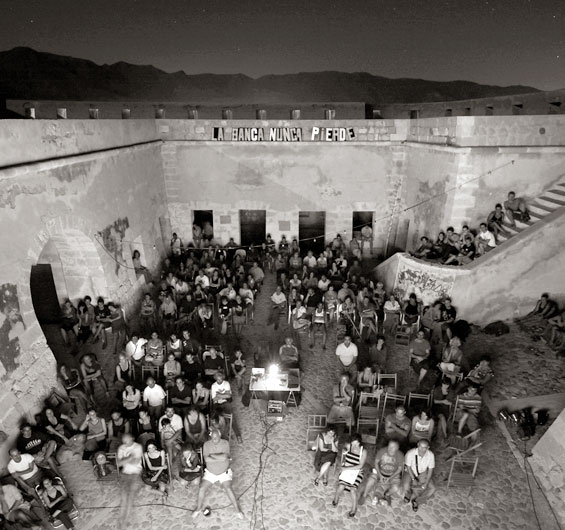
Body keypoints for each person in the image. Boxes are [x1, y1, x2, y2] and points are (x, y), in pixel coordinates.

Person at [193, 428, 244, 519]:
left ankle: (238, 510)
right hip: (210, 472)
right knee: (202, 488)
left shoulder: (225, 443)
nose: (214, 440)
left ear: (220, 436)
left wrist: (212, 455)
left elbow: (225, 457)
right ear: (210, 437)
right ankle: (198, 508)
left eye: (216, 438)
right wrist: (219, 457)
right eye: (213, 438)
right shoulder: (207, 444)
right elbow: (207, 459)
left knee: (228, 488)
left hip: (224, 472)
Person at [358, 440, 404, 506]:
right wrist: (380, 475)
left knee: (396, 488)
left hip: (392, 474)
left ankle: (387, 494)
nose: (390, 449)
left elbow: (399, 469)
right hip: (380, 470)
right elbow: (376, 463)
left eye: (393, 447)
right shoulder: (382, 451)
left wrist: (390, 477)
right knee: (371, 480)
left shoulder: (400, 455)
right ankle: (364, 495)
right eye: (389, 446)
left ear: (397, 448)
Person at [332, 433, 366, 518]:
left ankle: (354, 508)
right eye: (352, 444)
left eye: (356, 444)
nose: (354, 446)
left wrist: (346, 468)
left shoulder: (363, 451)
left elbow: (360, 466)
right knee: (341, 486)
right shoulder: (348, 445)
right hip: (346, 470)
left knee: (353, 490)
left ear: (359, 442)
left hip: (356, 472)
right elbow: (343, 456)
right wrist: (344, 451)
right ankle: (336, 498)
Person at [117, 433, 144, 527]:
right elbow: (119, 464)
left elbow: (136, 462)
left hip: (135, 474)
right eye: (124, 441)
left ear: (132, 438)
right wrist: (130, 457)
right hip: (124, 474)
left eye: (127, 441)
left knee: (130, 498)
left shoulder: (138, 447)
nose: (125, 443)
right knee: (124, 498)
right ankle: (121, 520)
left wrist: (125, 459)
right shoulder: (121, 448)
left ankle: (125, 521)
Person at [402, 440, 436, 512]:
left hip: (422, 472)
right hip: (410, 471)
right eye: (420, 447)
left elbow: (430, 470)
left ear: (428, 447)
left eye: (424, 448)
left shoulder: (430, 455)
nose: (422, 449)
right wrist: (413, 479)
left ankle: (417, 501)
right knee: (406, 485)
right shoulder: (410, 453)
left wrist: (426, 482)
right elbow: (408, 467)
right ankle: (408, 495)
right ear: (418, 445)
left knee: (432, 488)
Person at [211, 371, 242, 443]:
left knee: (232, 418)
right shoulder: (213, 386)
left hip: (226, 402)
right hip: (217, 404)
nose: (219, 380)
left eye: (220, 379)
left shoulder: (226, 383)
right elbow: (214, 399)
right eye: (218, 379)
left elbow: (229, 396)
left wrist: (219, 395)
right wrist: (224, 395)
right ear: (215, 379)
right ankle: (224, 435)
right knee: (218, 420)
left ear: (222, 378)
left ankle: (238, 435)